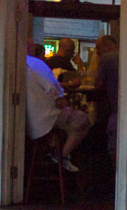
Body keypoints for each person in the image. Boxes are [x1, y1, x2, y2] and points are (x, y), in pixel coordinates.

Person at [25, 43, 91, 173]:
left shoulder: (17, 63)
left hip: (29, 121)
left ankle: (52, 147)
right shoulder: (36, 64)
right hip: (44, 119)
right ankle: (62, 155)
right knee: (82, 119)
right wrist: (62, 100)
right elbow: (53, 86)